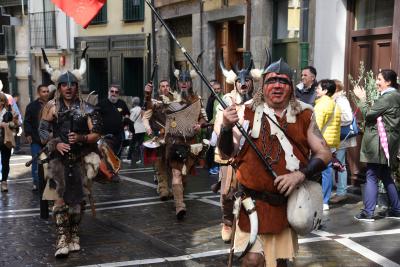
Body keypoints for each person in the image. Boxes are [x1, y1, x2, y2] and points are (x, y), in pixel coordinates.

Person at [218, 58, 331, 267]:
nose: (277, 85)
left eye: (283, 81)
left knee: (279, 263)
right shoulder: (245, 111)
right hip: (250, 204)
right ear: (263, 86)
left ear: (291, 86)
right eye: (272, 81)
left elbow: (324, 153)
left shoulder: (305, 114)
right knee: (252, 261)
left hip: (284, 205)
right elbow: (227, 152)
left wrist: (300, 174)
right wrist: (225, 126)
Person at [39, 48, 102, 257]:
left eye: (72, 84)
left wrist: (83, 138)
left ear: (77, 86)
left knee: (77, 202)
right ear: (59, 86)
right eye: (64, 84)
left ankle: (74, 234)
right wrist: (55, 143)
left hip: (80, 160)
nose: (68, 88)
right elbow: (42, 131)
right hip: (57, 161)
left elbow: (97, 133)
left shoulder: (87, 108)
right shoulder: (51, 106)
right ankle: (61, 239)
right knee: (59, 201)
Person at [143, 70, 208, 220]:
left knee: (183, 177)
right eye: (181, 81)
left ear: (190, 83)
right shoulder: (170, 99)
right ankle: (180, 206)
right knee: (176, 173)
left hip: (191, 143)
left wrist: (200, 125)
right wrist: (147, 95)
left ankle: (179, 196)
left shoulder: (196, 99)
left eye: (187, 80)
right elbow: (151, 106)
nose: (184, 83)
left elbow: (203, 119)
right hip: (174, 142)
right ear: (178, 83)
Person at [214, 57, 256, 242]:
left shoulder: (259, 101)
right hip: (229, 154)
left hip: (252, 155)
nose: (243, 83)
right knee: (227, 193)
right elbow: (218, 125)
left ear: (252, 82)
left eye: (246, 80)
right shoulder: (226, 100)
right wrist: (226, 130)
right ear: (235, 83)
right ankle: (227, 222)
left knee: (251, 192)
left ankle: (246, 224)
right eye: (239, 80)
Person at [353, 69, 400, 221]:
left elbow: (368, 114)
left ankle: (368, 212)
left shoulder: (388, 97)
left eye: (379, 79)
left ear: (388, 82)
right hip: (387, 142)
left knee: (371, 175)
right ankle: (397, 209)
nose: (376, 82)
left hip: (379, 143)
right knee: (386, 175)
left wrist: (362, 98)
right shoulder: (395, 96)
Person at [142, 79, 173, 200]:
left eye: (167, 85)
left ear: (170, 87)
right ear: (159, 89)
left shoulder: (176, 101)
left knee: (172, 164)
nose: (165, 88)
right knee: (160, 164)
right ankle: (163, 189)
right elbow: (146, 117)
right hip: (159, 137)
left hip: (173, 138)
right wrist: (148, 128)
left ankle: (172, 188)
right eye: (162, 86)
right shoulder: (154, 102)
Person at [314, 79, 341, 210]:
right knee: (327, 171)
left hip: (320, 142)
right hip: (330, 142)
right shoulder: (334, 104)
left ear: (325, 91)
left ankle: (319, 199)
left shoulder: (322, 105)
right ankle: (325, 200)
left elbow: (315, 126)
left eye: (318, 88)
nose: (316, 90)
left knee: (315, 170)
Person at [330, 79, 356, 203]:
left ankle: (341, 192)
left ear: (336, 89)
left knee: (340, 164)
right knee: (337, 163)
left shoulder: (341, 100)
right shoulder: (336, 99)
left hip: (341, 137)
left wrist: (334, 121)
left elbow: (348, 118)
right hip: (336, 136)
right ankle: (339, 191)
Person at [96, 85, 130, 182]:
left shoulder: (122, 103)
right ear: (108, 92)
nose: (114, 93)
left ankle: (114, 172)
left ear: (118, 94)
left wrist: (126, 118)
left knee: (116, 155)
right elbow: (95, 114)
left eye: (116, 92)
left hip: (119, 135)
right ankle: (110, 175)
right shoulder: (102, 103)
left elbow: (126, 113)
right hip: (105, 135)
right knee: (107, 154)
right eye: (112, 91)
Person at [23, 84, 50, 191]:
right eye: (43, 91)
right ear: (39, 93)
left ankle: (49, 180)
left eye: (47, 91)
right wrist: (28, 134)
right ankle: (36, 182)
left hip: (49, 139)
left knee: (50, 161)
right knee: (36, 160)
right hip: (36, 138)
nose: (46, 93)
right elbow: (27, 121)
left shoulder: (53, 104)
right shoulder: (32, 106)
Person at [0, 92, 20, 192]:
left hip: (5, 140)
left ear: (4, 102)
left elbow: (15, 126)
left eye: (1, 100)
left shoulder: (8, 113)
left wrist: (14, 122)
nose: (0, 102)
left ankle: (4, 182)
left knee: (5, 162)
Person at [206, 80, 223, 175]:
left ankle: (220, 166)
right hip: (213, 126)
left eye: (218, 89)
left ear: (221, 89)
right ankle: (215, 165)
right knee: (213, 146)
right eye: (215, 89)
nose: (217, 90)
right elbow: (210, 114)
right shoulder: (212, 99)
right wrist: (208, 124)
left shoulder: (224, 98)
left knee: (221, 147)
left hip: (222, 126)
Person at [128, 97, 146, 164]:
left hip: (136, 129)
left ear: (133, 102)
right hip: (143, 129)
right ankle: (141, 159)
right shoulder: (142, 109)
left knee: (132, 144)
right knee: (140, 145)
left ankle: (129, 158)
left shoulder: (133, 110)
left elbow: (131, 120)